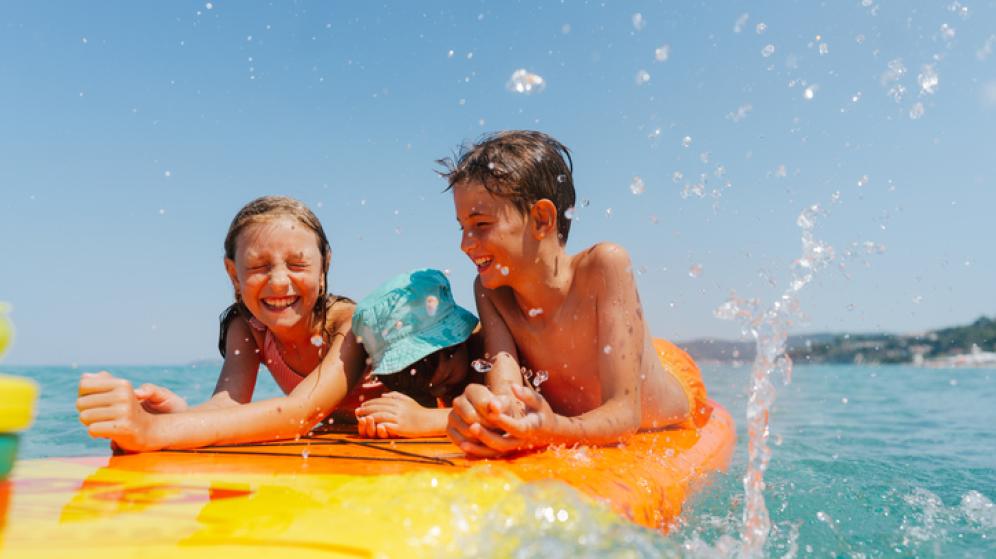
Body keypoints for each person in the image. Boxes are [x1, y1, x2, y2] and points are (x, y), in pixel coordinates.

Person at [441, 130, 713, 457]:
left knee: (663, 361)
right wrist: (482, 412)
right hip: (610, 370)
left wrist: (554, 429)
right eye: (462, 227)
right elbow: (509, 402)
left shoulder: (603, 267)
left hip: (674, 390)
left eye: (481, 224)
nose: (465, 244)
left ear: (541, 219)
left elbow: (627, 414)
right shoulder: (491, 292)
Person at [76, 196, 369, 452]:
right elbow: (227, 405)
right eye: (257, 266)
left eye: (297, 264)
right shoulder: (248, 327)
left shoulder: (350, 323)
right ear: (233, 275)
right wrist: (172, 419)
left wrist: (152, 431)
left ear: (323, 267)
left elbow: (302, 413)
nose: (279, 282)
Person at [353, 269, 485, 438]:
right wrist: (387, 420)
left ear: (456, 343)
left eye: (447, 379)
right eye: (425, 389)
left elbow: (511, 413)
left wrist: (427, 420)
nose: (438, 393)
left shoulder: (491, 353)